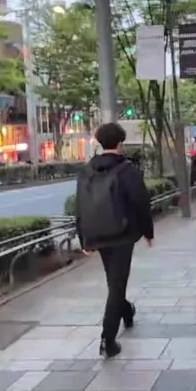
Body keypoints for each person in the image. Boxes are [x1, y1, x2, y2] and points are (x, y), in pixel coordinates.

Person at [75, 122, 155, 358]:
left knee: (114, 282)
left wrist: (83, 238)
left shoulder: (87, 171)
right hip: (122, 234)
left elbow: (80, 205)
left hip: (97, 233)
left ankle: (127, 311)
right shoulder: (126, 170)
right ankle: (107, 340)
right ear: (120, 142)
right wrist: (148, 231)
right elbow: (141, 202)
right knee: (117, 285)